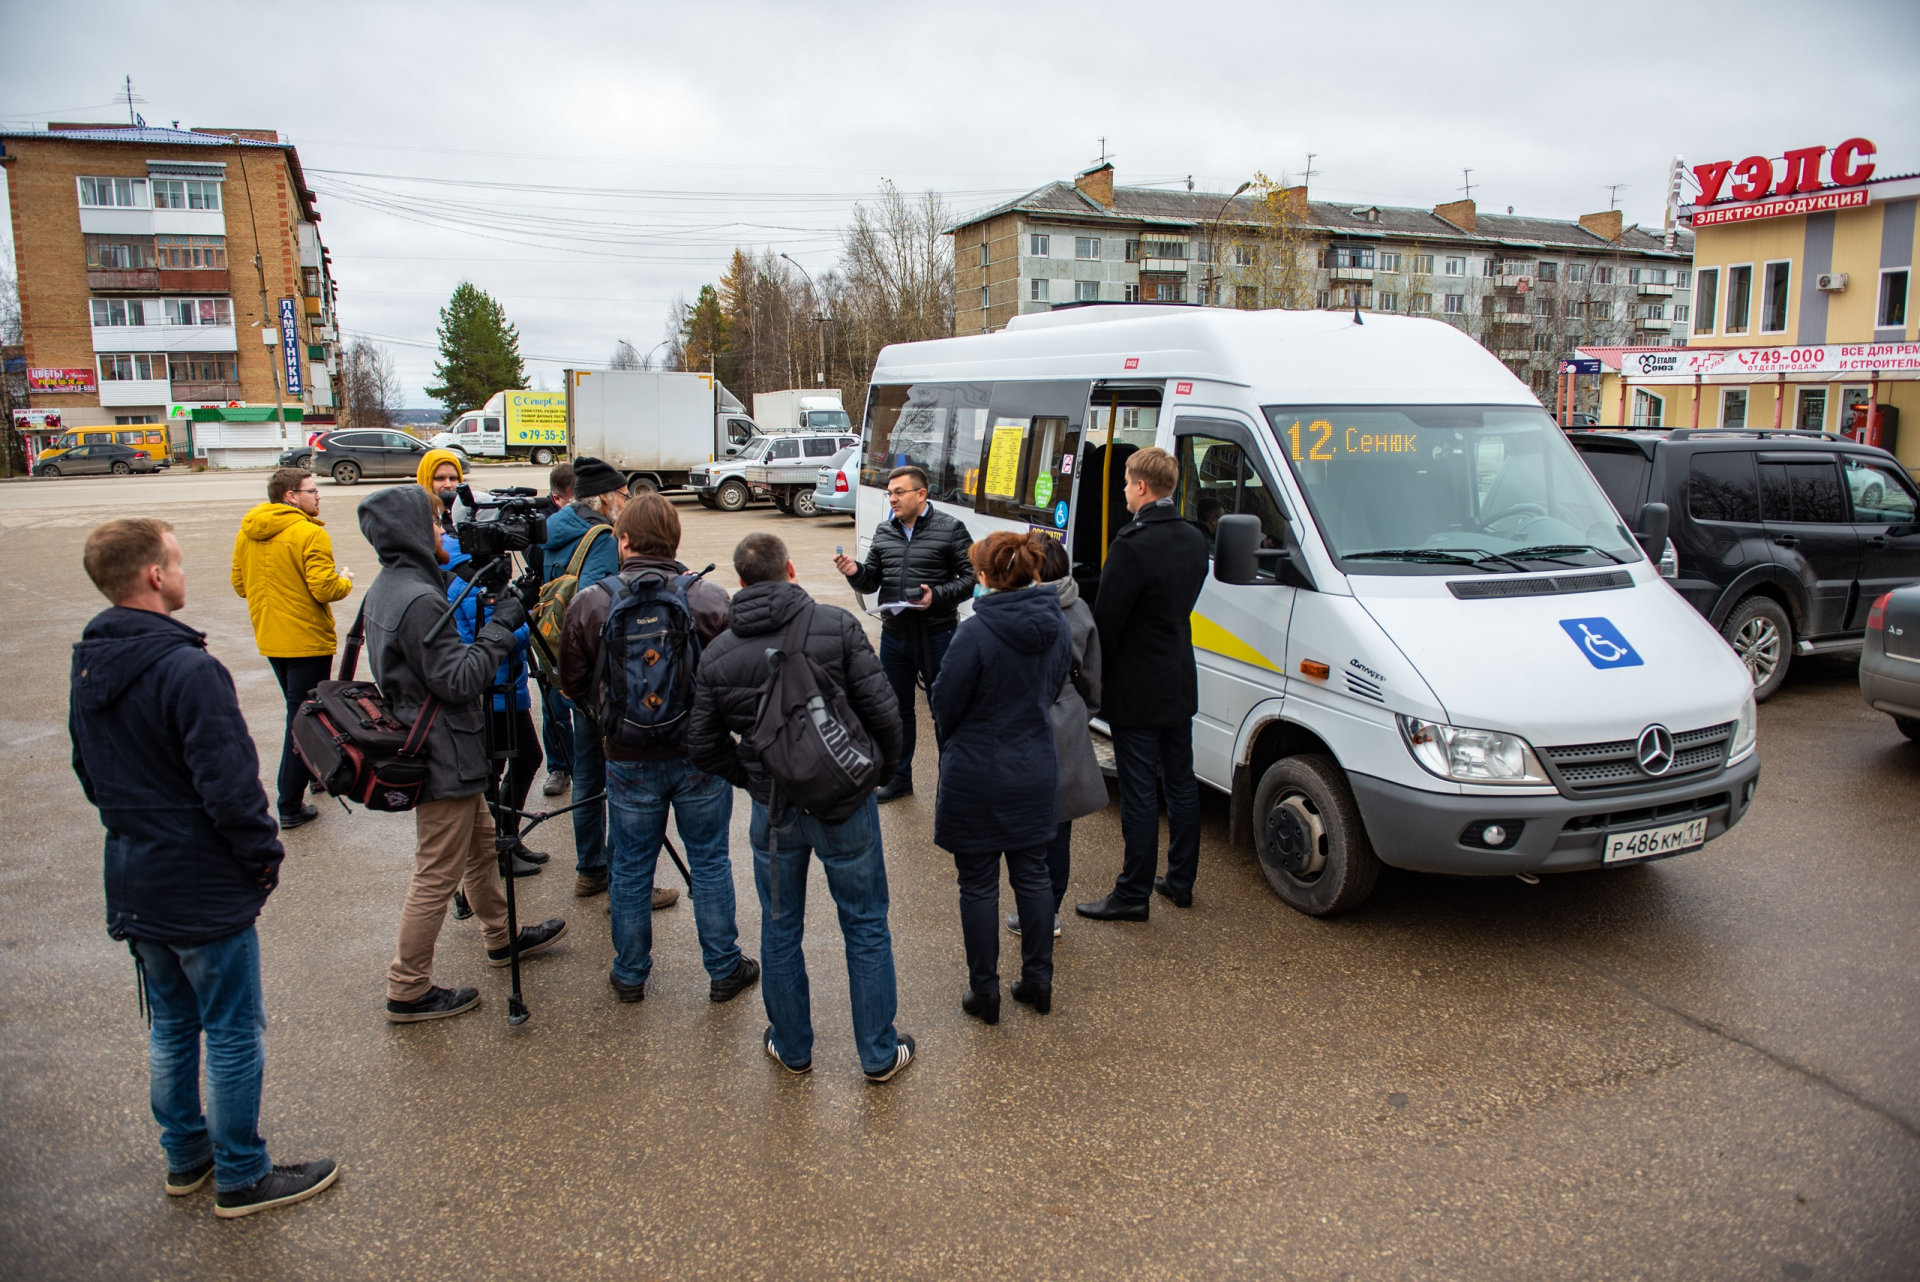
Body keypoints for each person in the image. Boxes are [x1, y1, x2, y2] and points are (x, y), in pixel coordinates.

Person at [71, 517, 338, 1218]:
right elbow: (230, 785)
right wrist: (261, 860)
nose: (185, 575)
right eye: (179, 563)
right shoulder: (187, 667)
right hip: (197, 882)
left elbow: (90, 773)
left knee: (169, 1023)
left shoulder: (91, 662)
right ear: (154, 576)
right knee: (229, 1029)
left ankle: (185, 1156)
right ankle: (242, 1173)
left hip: (134, 874)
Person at [689, 532, 915, 1082]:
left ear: (740, 583)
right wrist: (875, 775)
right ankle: (879, 1054)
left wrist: (754, 779)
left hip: (775, 812)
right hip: (844, 804)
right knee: (864, 924)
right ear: (790, 569)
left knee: (780, 925)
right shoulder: (835, 626)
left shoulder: (719, 652)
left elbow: (701, 743)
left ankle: (792, 1048)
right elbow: (886, 714)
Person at [358, 485, 567, 1023]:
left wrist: (486, 584)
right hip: (442, 749)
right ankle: (407, 987)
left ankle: (501, 938)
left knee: (479, 846)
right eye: (432, 522)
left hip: (438, 742)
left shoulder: (391, 585)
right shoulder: (418, 598)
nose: (441, 531)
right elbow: (459, 678)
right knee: (436, 873)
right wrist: (502, 625)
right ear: (409, 530)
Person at [560, 493, 756, 1005]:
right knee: (710, 861)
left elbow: (571, 681)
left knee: (629, 866)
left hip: (626, 757)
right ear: (675, 540)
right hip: (699, 755)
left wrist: (608, 717)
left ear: (623, 541)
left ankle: (630, 974)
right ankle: (723, 968)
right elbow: (737, 679)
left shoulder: (592, 601)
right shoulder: (709, 598)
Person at [930, 530, 1073, 1023]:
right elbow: (1054, 689)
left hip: (977, 768)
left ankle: (984, 992)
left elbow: (945, 700)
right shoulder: (1057, 623)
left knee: (978, 883)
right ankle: (1038, 981)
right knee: (1033, 872)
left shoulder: (975, 631)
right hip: (1034, 761)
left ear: (986, 578)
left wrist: (955, 739)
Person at [1077, 446, 1209, 922]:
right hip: (1178, 677)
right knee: (1180, 783)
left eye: (1127, 484)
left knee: (1138, 792)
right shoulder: (1194, 538)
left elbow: (1107, 624)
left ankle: (1132, 893)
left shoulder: (1132, 543)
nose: (1124, 492)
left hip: (1137, 687)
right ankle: (1180, 880)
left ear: (1140, 487)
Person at [542, 457, 669, 904]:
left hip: (565, 670)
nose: (623, 504)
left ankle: (590, 869)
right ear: (603, 498)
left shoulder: (556, 528)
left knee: (588, 774)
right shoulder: (599, 536)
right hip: (601, 679)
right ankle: (624, 879)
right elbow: (597, 607)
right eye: (620, 496)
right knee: (617, 777)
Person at [833, 464, 974, 803]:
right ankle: (899, 778)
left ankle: (952, 781)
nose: (892, 499)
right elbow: (871, 581)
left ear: (921, 494)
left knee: (944, 708)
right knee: (896, 710)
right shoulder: (885, 531)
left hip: (938, 635)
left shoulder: (951, 529)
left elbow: (973, 578)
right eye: (889, 493)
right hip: (896, 636)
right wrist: (855, 572)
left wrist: (936, 596)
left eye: (898, 492)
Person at [229, 467, 353, 831]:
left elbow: (240, 585)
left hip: (271, 638)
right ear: (290, 496)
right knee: (303, 722)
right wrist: (343, 580)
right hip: (306, 641)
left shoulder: (248, 531)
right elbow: (324, 589)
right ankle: (288, 803)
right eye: (312, 490)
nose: (318, 496)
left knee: (301, 712)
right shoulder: (309, 534)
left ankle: (317, 772)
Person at [1008, 536, 1106, 939]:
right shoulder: (1079, 607)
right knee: (1058, 826)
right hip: (1065, 719)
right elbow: (1093, 677)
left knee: (1021, 827)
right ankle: (1050, 911)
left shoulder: (1012, 609)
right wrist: (1081, 711)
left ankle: (1029, 909)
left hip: (1020, 722)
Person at [442, 532, 545, 876]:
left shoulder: (484, 583)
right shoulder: (465, 590)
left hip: (510, 690)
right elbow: (481, 644)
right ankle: (498, 848)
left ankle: (508, 837)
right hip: (491, 697)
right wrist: (523, 619)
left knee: (526, 760)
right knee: (497, 771)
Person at [536, 462, 576, 798]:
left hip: (583, 627)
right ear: (557, 499)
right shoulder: (543, 533)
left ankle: (590, 764)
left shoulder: (602, 532)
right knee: (554, 703)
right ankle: (559, 767)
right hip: (550, 629)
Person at [417, 448, 465, 532]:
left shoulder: (470, 512)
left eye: (453, 478)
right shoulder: (415, 517)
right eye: (439, 478)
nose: (448, 485)